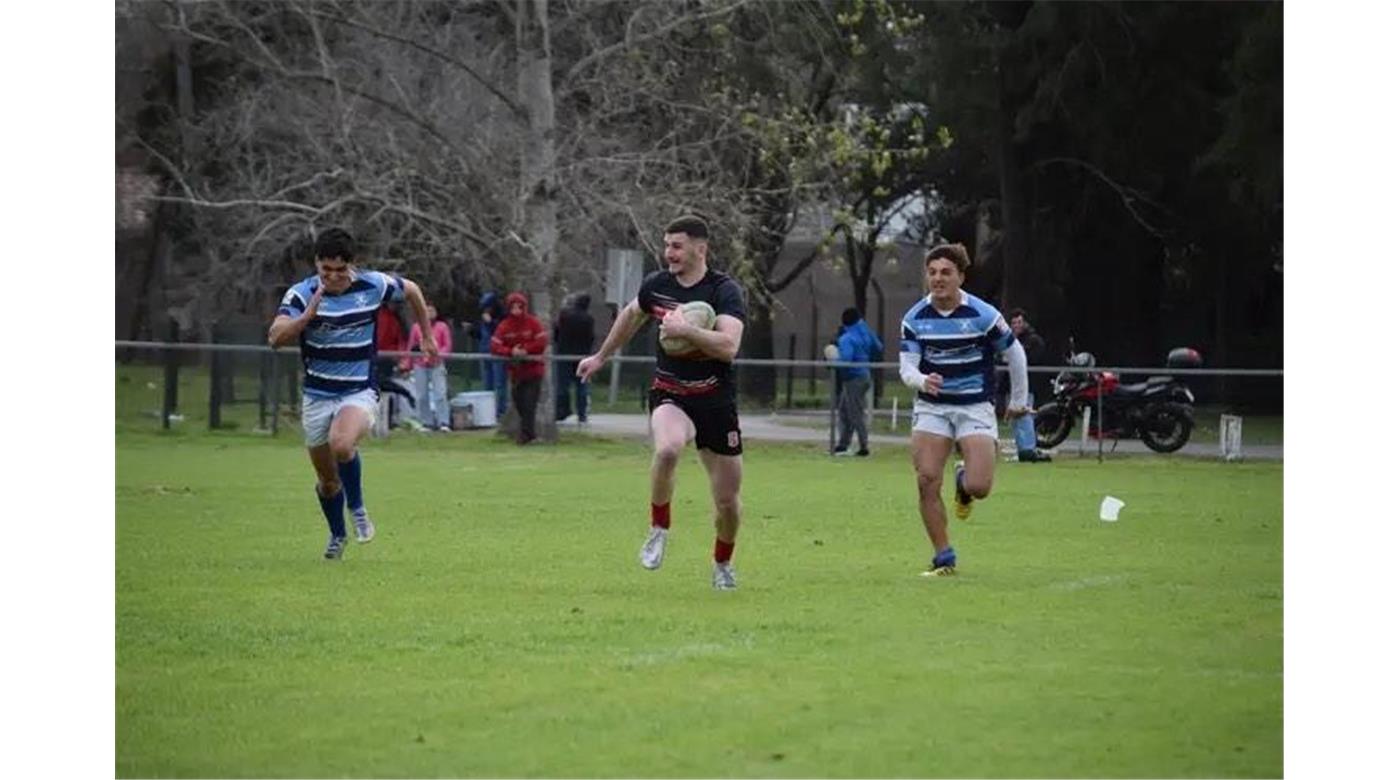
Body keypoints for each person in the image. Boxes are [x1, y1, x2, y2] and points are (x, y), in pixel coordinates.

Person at [577, 215, 747, 590]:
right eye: (666, 244)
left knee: (728, 505)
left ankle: (722, 563)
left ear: (700, 249)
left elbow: (729, 347)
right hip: (671, 393)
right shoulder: (657, 285)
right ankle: (659, 526)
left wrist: (687, 330)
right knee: (668, 450)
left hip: (716, 402)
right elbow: (631, 314)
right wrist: (602, 356)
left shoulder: (724, 291)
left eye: (677, 246)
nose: (668, 253)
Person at [268, 227, 437, 560]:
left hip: (358, 390)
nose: (331, 277)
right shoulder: (302, 293)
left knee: (342, 443)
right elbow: (275, 338)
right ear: (316, 265)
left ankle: (358, 509)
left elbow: (413, 290)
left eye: (339, 270)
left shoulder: (372, 285)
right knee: (327, 481)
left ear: (352, 266)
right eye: (325, 270)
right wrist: (305, 318)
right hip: (317, 395)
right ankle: (337, 534)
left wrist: (427, 336)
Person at [899, 243, 1030, 576]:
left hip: (974, 406)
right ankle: (944, 556)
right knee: (927, 479)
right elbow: (907, 367)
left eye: (945, 272)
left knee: (979, 488)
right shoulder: (915, 318)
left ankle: (963, 480)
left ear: (961, 276)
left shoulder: (983, 315)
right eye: (932, 273)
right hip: (933, 409)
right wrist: (921, 380)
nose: (938, 279)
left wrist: (1018, 401)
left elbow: (1015, 355)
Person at [490, 291, 549, 444]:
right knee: (519, 402)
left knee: (529, 403)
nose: (516, 311)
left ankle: (526, 436)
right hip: (516, 372)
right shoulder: (504, 326)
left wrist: (525, 350)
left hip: (534, 370)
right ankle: (529, 435)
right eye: (513, 307)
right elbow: (495, 345)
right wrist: (511, 352)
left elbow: (541, 342)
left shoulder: (533, 323)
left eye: (519, 307)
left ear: (524, 307)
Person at [832, 307, 884, 457]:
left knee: (854, 413)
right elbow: (878, 347)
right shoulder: (865, 331)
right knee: (844, 410)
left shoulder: (846, 339)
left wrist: (833, 361)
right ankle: (843, 445)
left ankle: (863, 447)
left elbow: (846, 360)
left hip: (853, 378)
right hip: (865, 375)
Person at [1005, 308, 1052, 462]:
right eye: (1013, 323)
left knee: (1024, 417)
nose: (1016, 325)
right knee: (1015, 419)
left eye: (1019, 322)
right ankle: (1022, 450)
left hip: (1027, 386)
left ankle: (1028, 449)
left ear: (1024, 323)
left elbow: (1035, 358)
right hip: (1011, 385)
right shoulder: (1007, 340)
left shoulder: (1033, 340)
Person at [405, 302, 453, 432]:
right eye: (427, 311)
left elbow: (447, 345)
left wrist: (437, 355)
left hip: (437, 364)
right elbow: (411, 346)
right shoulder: (416, 328)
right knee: (422, 395)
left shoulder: (442, 327)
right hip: (420, 364)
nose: (430, 313)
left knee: (440, 394)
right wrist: (407, 364)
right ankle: (427, 422)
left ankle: (444, 422)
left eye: (432, 311)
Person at [554, 292, 596, 424]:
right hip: (582, 356)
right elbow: (591, 337)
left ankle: (561, 411)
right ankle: (582, 414)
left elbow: (557, 332)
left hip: (564, 354)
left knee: (562, 385)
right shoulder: (589, 319)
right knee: (581, 386)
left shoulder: (565, 317)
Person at [476, 292, 509, 417]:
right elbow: (481, 334)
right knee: (487, 384)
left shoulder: (502, 317)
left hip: (498, 354)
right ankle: (488, 411)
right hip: (485, 352)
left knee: (499, 383)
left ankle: (501, 411)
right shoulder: (483, 316)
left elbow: (500, 332)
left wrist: (490, 322)